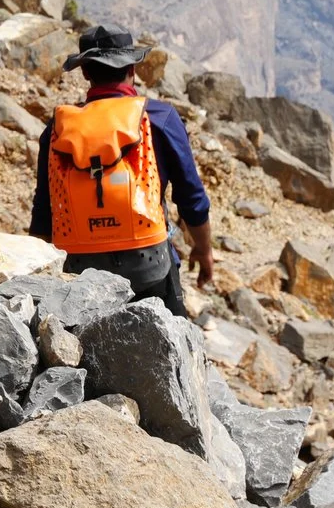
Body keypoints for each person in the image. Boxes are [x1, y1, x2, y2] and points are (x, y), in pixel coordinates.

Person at [30, 23, 215, 317]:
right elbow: (192, 198)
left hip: (79, 271)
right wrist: (204, 251)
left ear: (86, 72)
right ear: (133, 68)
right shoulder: (159, 117)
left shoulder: (58, 129)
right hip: (150, 266)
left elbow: (44, 209)